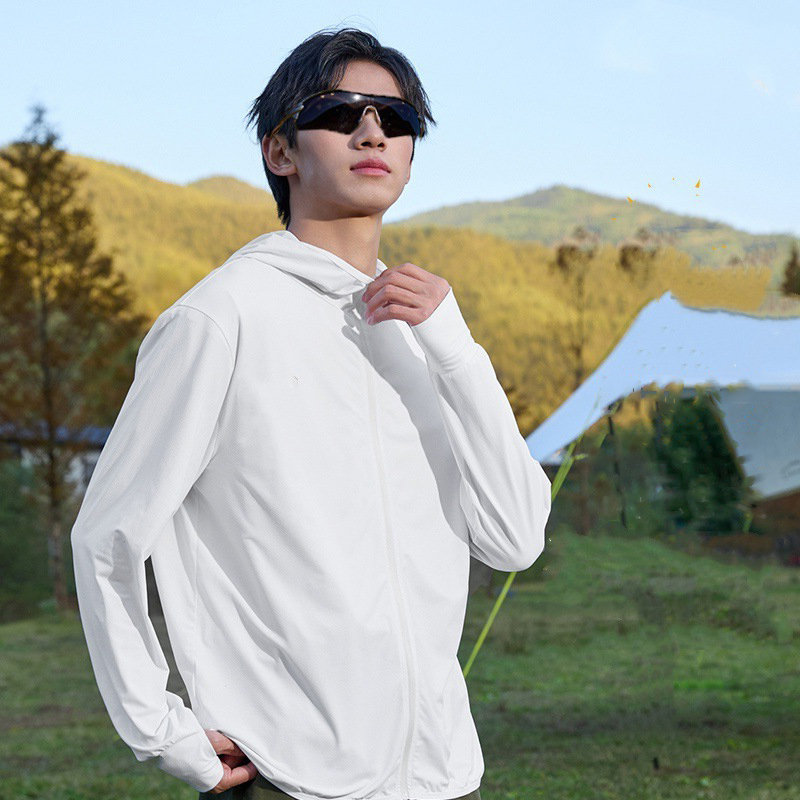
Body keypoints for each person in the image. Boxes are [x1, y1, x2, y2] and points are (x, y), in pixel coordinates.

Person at [70, 25, 552, 800]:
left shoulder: (429, 332)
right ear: (280, 151)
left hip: (442, 776)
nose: (373, 132)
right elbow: (108, 536)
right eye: (340, 112)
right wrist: (160, 729)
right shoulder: (220, 317)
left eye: (397, 119)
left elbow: (515, 537)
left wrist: (458, 352)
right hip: (290, 778)